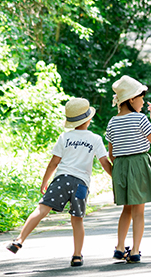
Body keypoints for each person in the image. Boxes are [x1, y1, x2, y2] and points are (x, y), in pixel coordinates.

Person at [6, 98, 112, 267]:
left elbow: (54, 162)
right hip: (81, 185)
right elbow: (104, 162)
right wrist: (117, 178)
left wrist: (44, 181)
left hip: (61, 180)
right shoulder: (95, 139)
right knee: (77, 220)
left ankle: (19, 240)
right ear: (89, 119)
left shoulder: (65, 137)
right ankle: (77, 256)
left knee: (42, 209)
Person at [106, 75, 151, 263]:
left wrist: (120, 170)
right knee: (139, 211)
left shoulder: (112, 122)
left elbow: (111, 154)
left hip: (120, 166)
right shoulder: (140, 119)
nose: (143, 101)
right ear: (131, 99)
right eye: (141, 97)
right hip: (139, 165)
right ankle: (135, 251)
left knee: (126, 210)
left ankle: (120, 247)